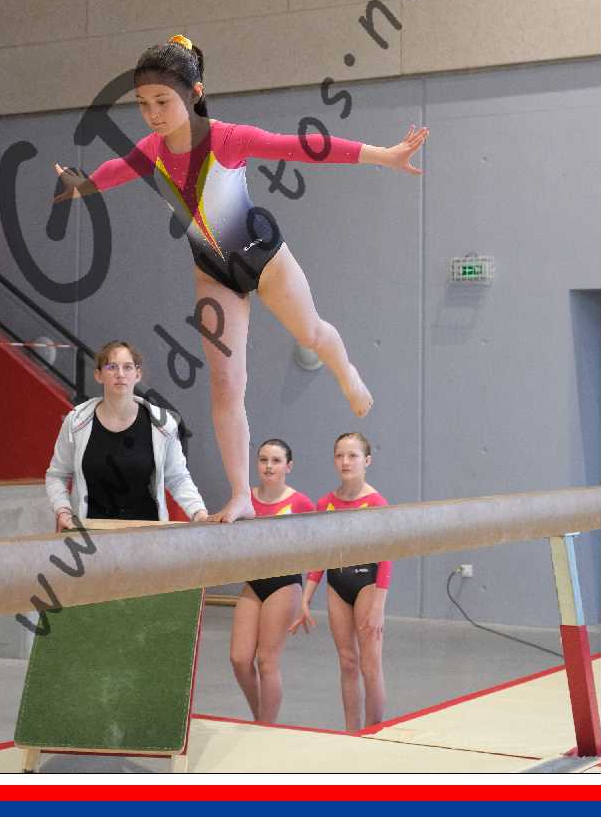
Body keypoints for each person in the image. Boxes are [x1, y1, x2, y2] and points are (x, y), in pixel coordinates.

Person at [54, 35, 427, 522]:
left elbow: (304, 148)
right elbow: (114, 171)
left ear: (194, 93)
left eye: (163, 101)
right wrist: (81, 187)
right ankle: (240, 495)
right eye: (143, 104)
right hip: (213, 272)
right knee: (226, 384)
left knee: (311, 334)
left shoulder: (226, 139)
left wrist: (384, 155)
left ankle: (346, 371)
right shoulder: (151, 151)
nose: (153, 114)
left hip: (262, 256)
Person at [44, 339, 208, 529]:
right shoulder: (76, 422)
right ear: (98, 375)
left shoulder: (162, 425)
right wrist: (63, 511)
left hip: (147, 535)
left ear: (138, 374)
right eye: (112, 367)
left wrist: (199, 513)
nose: (120, 374)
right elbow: (57, 475)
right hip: (89, 534)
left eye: (128, 367)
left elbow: (178, 478)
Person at [289, 431, 392, 731]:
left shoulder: (376, 503)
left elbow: (387, 558)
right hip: (337, 585)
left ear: (367, 461)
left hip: (367, 585)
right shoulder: (326, 503)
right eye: (339, 456)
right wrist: (306, 597)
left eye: (353, 456)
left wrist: (378, 607)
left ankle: (373, 731)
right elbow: (322, 555)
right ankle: (351, 730)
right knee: (347, 662)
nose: (345, 462)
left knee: (370, 666)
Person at [230, 439, 315, 724]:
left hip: (284, 584)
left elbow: (321, 550)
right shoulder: (245, 499)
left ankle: (266, 726)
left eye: (276, 461)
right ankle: (261, 718)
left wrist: (306, 599)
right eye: (263, 460)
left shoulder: (301, 503)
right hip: (254, 582)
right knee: (240, 659)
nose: (268, 466)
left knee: (267, 662)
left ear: (288, 466)